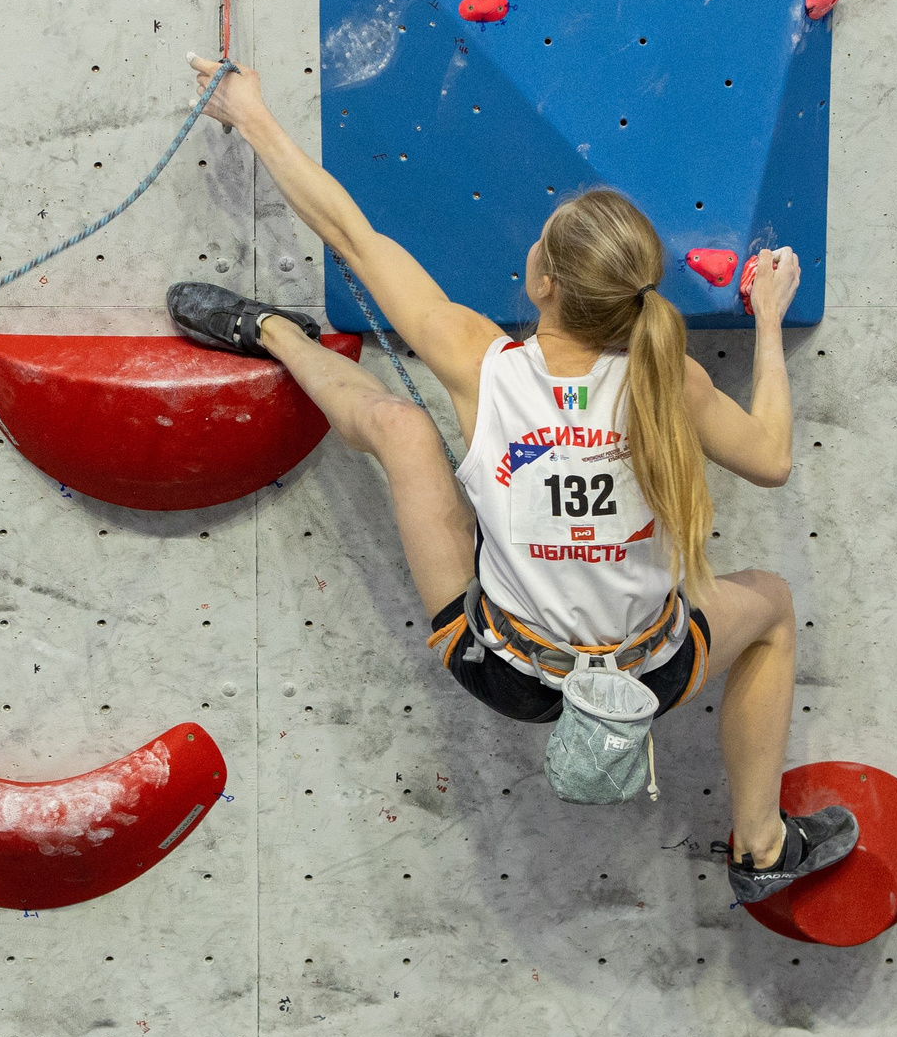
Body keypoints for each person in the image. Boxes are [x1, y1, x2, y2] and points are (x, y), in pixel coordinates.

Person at [170, 55, 855, 895]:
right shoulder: (669, 376)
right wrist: (769, 325)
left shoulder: (480, 363)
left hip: (510, 675)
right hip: (652, 677)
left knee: (400, 429)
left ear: (542, 282)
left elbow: (351, 234)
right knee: (773, 605)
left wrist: (252, 114)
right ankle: (760, 844)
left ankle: (276, 334)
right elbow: (773, 458)